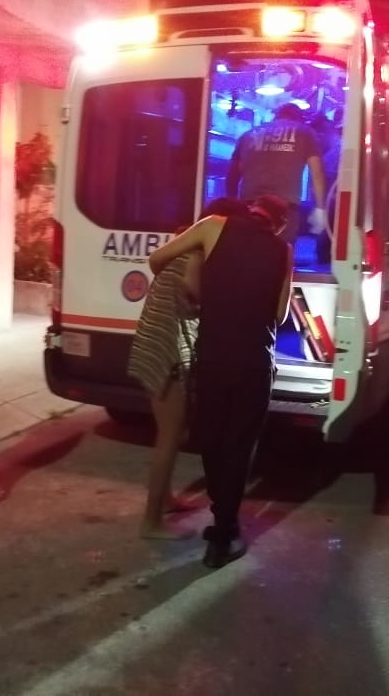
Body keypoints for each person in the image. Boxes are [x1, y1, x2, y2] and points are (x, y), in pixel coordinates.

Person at [149, 194, 293, 568]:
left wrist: (191, 287)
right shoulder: (283, 250)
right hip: (254, 362)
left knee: (212, 441)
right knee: (238, 448)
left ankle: (222, 522)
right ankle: (225, 533)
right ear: (278, 224)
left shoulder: (212, 227)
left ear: (251, 209)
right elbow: (279, 315)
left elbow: (157, 259)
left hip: (213, 358)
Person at [128, 197, 247, 540]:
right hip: (166, 349)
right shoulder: (198, 252)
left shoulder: (187, 243)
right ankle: (151, 522)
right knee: (170, 433)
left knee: (173, 431)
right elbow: (195, 291)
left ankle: (164, 500)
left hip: (158, 342)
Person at [226, 103, 328, 242]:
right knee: (280, 252)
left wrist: (231, 205)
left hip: (249, 207)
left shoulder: (248, 134)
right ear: (298, 118)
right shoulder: (305, 132)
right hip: (284, 209)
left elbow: (233, 175)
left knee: (248, 250)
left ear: (276, 116)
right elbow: (317, 173)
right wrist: (320, 209)